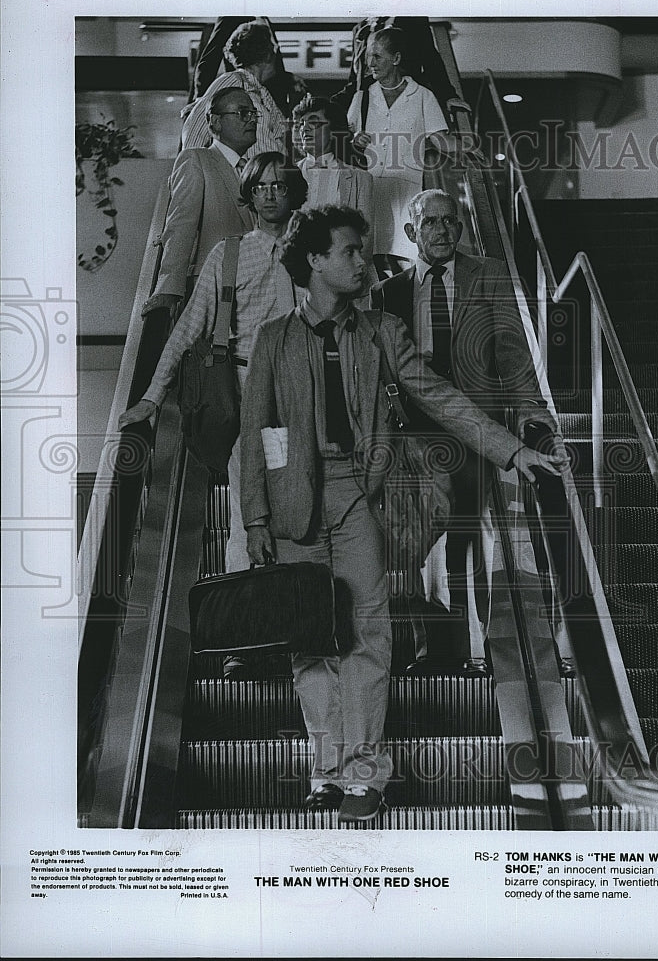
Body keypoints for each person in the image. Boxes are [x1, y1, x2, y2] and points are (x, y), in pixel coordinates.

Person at [239, 204, 567, 822]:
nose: (364, 263)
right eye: (350, 253)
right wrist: (255, 517)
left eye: (365, 252)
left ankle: (365, 773)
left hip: (359, 497)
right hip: (291, 506)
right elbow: (255, 431)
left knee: (368, 634)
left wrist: (510, 449)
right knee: (310, 643)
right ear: (315, 261)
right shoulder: (273, 338)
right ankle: (325, 770)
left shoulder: (382, 331)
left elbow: (441, 398)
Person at [371, 188, 562, 676]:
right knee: (416, 539)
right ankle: (433, 649)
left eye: (449, 221)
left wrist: (534, 416)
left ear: (460, 227)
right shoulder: (387, 294)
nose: (441, 230)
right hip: (414, 433)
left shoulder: (489, 274)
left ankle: (489, 650)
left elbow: (515, 356)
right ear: (412, 233)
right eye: (430, 223)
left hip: (478, 423)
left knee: (473, 534)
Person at [119, 152, 307, 630]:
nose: (269, 193)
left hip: (297, 396)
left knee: (289, 506)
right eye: (260, 185)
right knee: (250, 509)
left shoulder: (311, 251)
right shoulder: (228, 253)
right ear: (249, 193)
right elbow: (187, 329)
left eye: (278, 185)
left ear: (292, 193)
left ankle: (287, 626)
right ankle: (241, 634)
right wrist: (151, 398)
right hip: (246, 393)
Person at [141, 87, 258, 318]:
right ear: (215, 121)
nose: (252, 120)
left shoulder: (253, 169)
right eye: (243, 113)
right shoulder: (196, 159)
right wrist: (169, 289)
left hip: (252, 291)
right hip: (211, 291)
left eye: (254, 113)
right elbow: (180, 225)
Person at [346, 26, 458, 261]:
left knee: (405, 261)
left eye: (377, 56)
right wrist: (356, 140)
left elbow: (439, 140)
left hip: (408, 193)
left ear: (396, 58)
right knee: (369, 258)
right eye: (368, 57)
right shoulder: (362, 98)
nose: (371, 63)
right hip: (370, 191)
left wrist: (469, 146)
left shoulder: (423, 96)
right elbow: (348, 141)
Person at [181, 21, 302, 159]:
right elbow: (195, 129)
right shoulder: (232, 81)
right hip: (247, 176)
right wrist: (195, 169)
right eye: (274, 49)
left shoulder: (263, 93)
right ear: (268, 54)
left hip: (271, 176)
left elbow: (283, 136)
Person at [293, 94, 375, 286]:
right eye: (301, 123)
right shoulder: (287, 175)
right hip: (297, 282)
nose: (304, 128)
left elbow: (366, 240)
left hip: (347, 282)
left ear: (333, 130)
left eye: (314, 123)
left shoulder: (360, 179)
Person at [332, 16, 470, 119]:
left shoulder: (411, 21)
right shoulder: (360, 28)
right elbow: (356, 74)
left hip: (399, 97)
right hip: (367, 101)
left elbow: (431, 60)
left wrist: (448, 96)